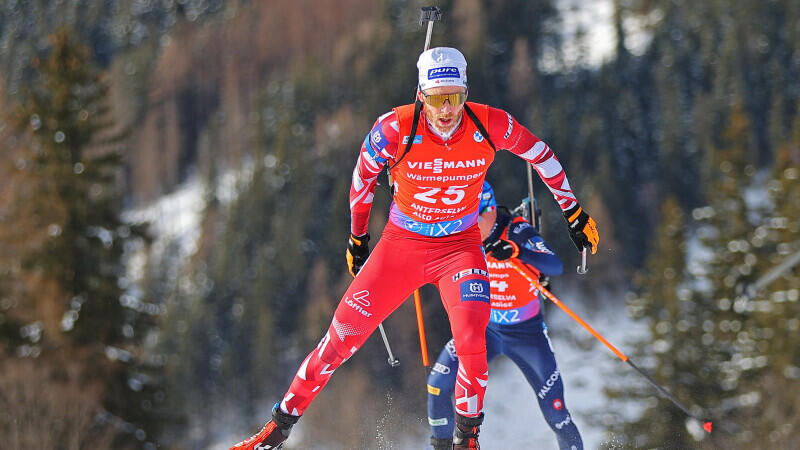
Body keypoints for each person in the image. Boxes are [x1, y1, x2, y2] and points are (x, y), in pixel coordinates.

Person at [230, 47, 599, 450]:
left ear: (465, 93)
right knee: (340, 340)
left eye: (454, 97)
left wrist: (573, 212)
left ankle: (466, 440)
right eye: (437, 99)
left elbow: (541, 155)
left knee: (471, 340)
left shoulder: (489, 123)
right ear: (421, 95)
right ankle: (276, 429)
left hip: (459, 249)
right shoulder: (395, 128)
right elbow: (362, 179)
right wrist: (358, 238)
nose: (447, 110)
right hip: (401, 247)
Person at [427, 182, 583, 450]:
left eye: (473, 218)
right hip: (484, 330)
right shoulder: (462, 236)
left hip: (527, 335)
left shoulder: (517, 230)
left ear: (489, 210)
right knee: (437, 385)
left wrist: (518, 252)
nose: (468, 226)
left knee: (557, 413)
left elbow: (554, 265)